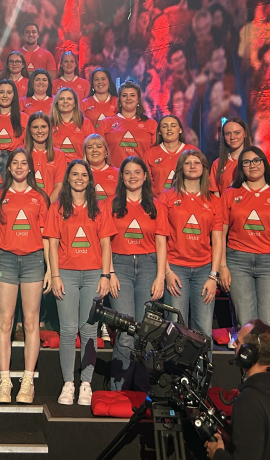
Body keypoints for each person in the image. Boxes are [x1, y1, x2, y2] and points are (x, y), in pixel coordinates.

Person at [218, 146, 270, 376]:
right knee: (247, 328)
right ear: (240, 168)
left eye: (256, 160)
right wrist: (222, 266)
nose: (252, 165)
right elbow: (220, 234)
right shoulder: (230, 195)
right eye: (246, 162)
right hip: (238, 262)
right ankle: (251, 386)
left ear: (264, 164)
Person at [46, 160, 114, 406]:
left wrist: (106, 275)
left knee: (88, 331)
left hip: (94, 275)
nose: (79, 178)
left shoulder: (100, 207)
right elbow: (52, 244)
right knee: (67, 330)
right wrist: (54, 276)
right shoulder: (57, 208)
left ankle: (86, 383)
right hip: (66, 274)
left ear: (89, 179)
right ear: (68, 178)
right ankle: (68, 383)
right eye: (74, 174)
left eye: (83, 174)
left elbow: (106, 243)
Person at [0, 148, 51, 403]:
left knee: (31, 321)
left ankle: (27, 380)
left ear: (30, 168)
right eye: (15, 163)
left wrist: (49, 269)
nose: (19, 167)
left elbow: (47, 235)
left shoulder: (40, 197)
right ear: (9, 167)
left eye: (24, 163)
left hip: (34, 261)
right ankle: (5, 381)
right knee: (4, 321)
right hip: (5, 259)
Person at [107, 156, 167, 391]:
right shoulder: (112, 205)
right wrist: (109, 272)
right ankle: (118, 390)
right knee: (125, 330)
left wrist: (160, 277)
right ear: (122, 177)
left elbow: (162, 243)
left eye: (137, 172)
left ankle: (141, 392)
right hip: (119, 266)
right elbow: (105, 243)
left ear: (145, 176)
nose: (132, 176)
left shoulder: (157, 206)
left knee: (145, 331)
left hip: (149, 267)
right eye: (128, 172)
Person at [205, 321, 270, 460]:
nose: (233, 345)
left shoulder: (249, 400)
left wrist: (217, 454)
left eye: (238, 342)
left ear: (247, 353)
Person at [162, 150, 225, 342]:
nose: (192, 166)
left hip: (204, 271)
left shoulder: (214, 201)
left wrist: (213, 276)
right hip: (175, 269)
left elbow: (217, 240)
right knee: (174, 328)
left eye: (197, 162)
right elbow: (161, 239)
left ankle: (201, 373)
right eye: (187, 163)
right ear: (180, 168)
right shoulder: (167, 198)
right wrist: (167, 272)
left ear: (204, 169)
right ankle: (175, 373)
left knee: (203, 330)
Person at [97, 82, 155, 167]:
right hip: (114, 176)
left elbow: (156, 154)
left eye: (132, 95)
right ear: (119, 100)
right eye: (124, 95)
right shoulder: (106, 123)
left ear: (138, 99)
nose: (128, 98)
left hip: (141, 177)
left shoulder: (151, 124)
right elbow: (98, 153)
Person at [147, 114, 198, 197]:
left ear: (180, 130)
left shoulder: (192, 152)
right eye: (164, 126)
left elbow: (202, 180)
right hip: (158, 204)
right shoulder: (150, 153)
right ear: (159, 131)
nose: (169, 129)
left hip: (186, 203)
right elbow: (146, 183)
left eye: (173, 125)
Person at [25, 111, 67, 201]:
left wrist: (46, 206)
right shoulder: (21, 153)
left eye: (43, 127)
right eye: (35, 127)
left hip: (50, 206)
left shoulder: (59, 155)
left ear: (49, 129)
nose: (40, 131)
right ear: (29, 130)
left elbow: (59, 186)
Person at [50, 88, 96, 160]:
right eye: (61, 99)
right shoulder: (49, 124)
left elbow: (92, 148)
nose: (65, 101)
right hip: (55, 167)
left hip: (79, 167)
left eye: (69, 99)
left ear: (75, 103)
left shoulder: (85, 123)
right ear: (56, 103)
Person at [211, 118, 250, 196]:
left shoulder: (255, 161)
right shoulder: (217, 164)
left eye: (237, 133)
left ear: (245, 134)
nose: (232, 137)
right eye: (228, 134)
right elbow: (216, 196)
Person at [84, 133, 118, 203]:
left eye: (99, 147)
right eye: (90, 147)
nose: (94, 150)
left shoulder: (119, 173)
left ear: (106, 152)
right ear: (85, 153)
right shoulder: (80, 173)